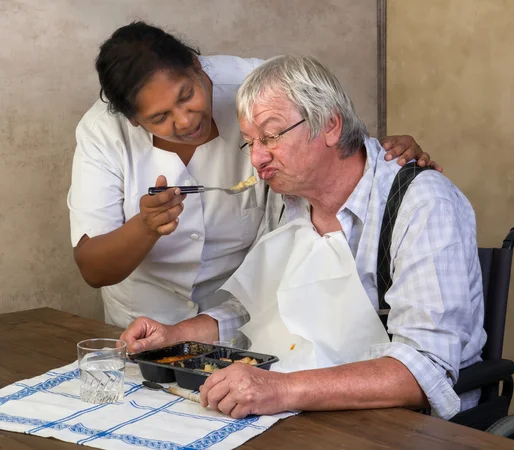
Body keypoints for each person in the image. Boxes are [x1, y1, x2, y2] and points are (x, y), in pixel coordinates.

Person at [121, 56, 486, 420]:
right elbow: (259, 307)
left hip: (402, 420)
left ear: (329, 125)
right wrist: (177, 337)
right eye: (251, 143)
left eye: (271, 136)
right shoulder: (286, 200)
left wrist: (280, 389)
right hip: (306, 402)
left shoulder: (422, 204)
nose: (258, 159)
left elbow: (424, 369)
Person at [68, 22, 439, 328]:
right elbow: (93, 267)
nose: (185, 120)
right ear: (133, 121)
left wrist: (391, 159)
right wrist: (145, 227)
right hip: (146, 321)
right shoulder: (103, 133)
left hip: (244, 317)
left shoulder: (260, 87)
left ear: (198, 66)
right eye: (159, 118)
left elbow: (336, 145)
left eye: (186, 96)